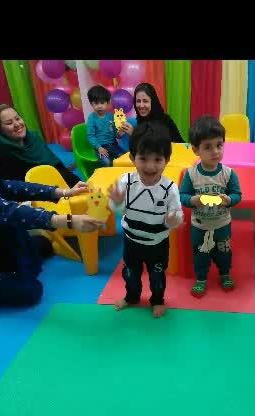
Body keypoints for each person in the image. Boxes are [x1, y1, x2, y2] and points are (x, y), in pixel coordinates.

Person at [0, 129, 106, 319]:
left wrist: (64, 192)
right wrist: (69, 221)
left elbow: (15, 187)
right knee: (32, 290)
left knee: (43, 245)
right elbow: (9, 211)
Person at [107, 122, 183, 318]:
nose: (150, 166)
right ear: (132, 158)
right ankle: (131, 297)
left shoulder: (170, 188)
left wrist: (172, 219)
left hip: (157, 244)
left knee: (157, 276)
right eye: (143, 159)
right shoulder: (126, 181)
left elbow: (177, 216)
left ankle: (157, 300)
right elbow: (118, 210)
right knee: (130, 274)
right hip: (131, 241)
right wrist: (116, 202)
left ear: (167, 160)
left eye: (157, 159)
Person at [179, 115, 242, 297]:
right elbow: (182, 196)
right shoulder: (191, 174)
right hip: (199, 226)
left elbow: (237, 194)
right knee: (200, 253)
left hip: (222, 225)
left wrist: (229, 199)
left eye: (219, 145)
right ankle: (201, 278)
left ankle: (224, 274)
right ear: (195, 150)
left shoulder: (228, 173)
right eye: (208, 147)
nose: (215, 151)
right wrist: (193, 200)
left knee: (224, 252)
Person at [0, 104, 81, 187]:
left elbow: (57, 166)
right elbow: (19, 189)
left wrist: (77, 184)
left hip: (63, 186)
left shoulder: (34, 139)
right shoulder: (3, 156)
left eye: (17, 118)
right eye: (9, 123)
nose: (17, 124)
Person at [86, 85, 126, 167]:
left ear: (107, 103)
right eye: (96, 103)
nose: (99, 106)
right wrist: (98, 147)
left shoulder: (111, 116)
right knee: (107, 162)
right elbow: (91, 136)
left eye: (102, 103)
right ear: (91, 104)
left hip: (113, 145)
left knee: (124, 157)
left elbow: (115, 134)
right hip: (100, 147)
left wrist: (119, 134)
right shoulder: (91, 118)